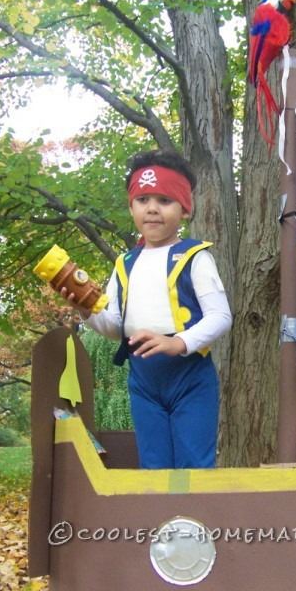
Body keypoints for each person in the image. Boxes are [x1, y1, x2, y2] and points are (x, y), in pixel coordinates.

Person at [62, 149, 232, 469]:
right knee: (153, 464)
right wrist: (84, 308)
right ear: (131, 207)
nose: (152, 209)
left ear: (184, 209)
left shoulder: (195, 257)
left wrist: (177, 342)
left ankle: (194, 519)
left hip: (190, 377)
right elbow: (115, 326)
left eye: (164, 200)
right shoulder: (124, 264)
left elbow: (220, 317)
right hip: (143, 379)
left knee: (195, 463)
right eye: (143, 200)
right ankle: (159, 520)